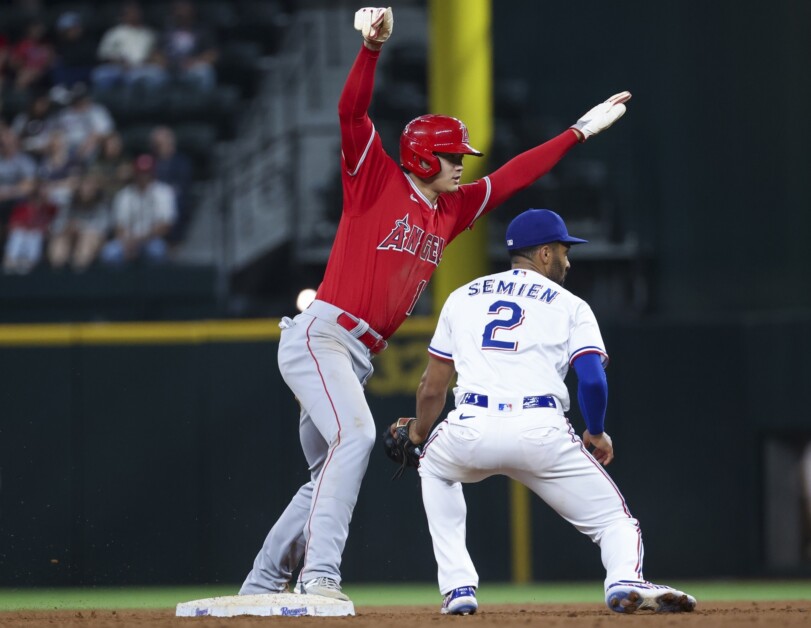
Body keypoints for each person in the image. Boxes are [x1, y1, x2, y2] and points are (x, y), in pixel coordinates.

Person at [239, 7, 631, 602]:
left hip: (355, 352)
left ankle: (261, 583)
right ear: (425, 158)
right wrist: (369, 50)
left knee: (328, 472)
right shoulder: (374, 176)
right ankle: (320, 578)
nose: (462, 166)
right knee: (357, 439)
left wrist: (576, 133)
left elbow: (514, 176)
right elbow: (351, 113)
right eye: (454, 157)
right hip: (322, 336)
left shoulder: (447, 212)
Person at [388, 209, 697, 616]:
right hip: (540, 428)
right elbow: (592, 381)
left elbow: (432, 386)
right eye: (565, 251)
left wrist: (417, 434)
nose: (568, 261)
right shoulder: (571, 306)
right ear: (545, 254)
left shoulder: (461, 297)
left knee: (435, 470)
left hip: (470, 427)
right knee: (614, 523)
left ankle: (458, 587)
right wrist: (597, 431)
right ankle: (624, 579)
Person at [100, 153, 176, 265]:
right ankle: (118, 282)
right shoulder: (124, 194)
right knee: (109, 253)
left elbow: (165, 225)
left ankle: (155, 282)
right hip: (126, 240)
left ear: (152, 172)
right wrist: (128, 242)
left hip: (152, 239)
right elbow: (118, 226)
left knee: (156, 251)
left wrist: (140, 240)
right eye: (140, 172)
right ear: (135, 173)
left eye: (146, 172)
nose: (143, 176)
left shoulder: (163, 192)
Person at [91, 1, 166, 93]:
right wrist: (119, 62)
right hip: (118, 67)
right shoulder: (114, 32)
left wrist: (150, 60)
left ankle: (151, 104)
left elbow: (156, 54)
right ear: (123, 15)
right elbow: (103, 53)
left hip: (143, 67)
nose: (133, 15)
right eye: (130, 12)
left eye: (136, 12)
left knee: (158, 75)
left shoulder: (148, 33)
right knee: (100, 74)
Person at [48, 170, 110, 272]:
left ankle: (79, 275)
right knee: (59, 243)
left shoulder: (101, 204)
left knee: (86, 242)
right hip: (68, 237)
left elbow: (103, 229)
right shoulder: (69, 202)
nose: (87, 190)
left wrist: (80, 229)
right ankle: (57, 276)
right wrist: (67, 228)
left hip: (90, 239)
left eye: (91, 187)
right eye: (85, 186)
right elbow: (56, 226)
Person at [3, 179, 58, 274]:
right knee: (18, 234)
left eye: (40, 200)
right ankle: (10, 259)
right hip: (22, 233)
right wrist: (25, 226)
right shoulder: (22, 207)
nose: (37, 203)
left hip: (37, 234)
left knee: (35, 235)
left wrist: (41, 228)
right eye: (35, 200)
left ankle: (30, 262)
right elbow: (13, 224)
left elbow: (51, 223)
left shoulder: (50, 208)